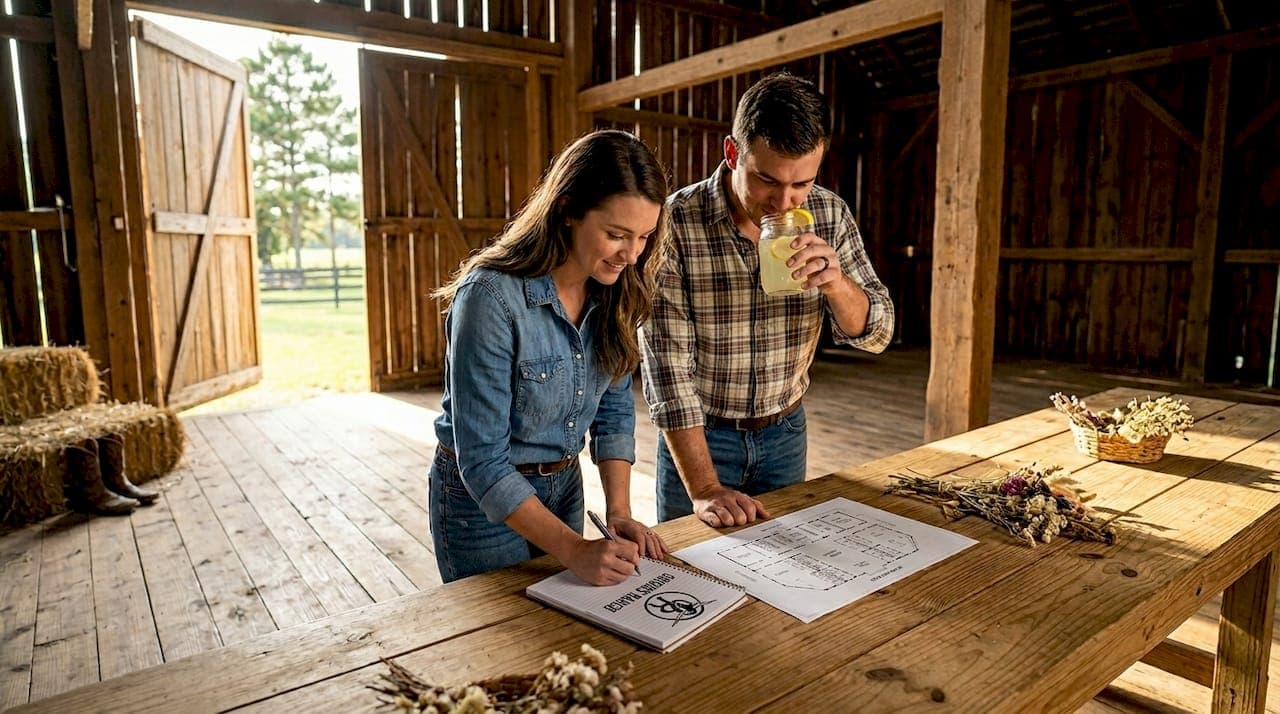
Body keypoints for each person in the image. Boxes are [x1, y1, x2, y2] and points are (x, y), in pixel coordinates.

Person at [641, 72, 895, 528]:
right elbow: (667, 369)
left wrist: (837, 285)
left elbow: (877, 334)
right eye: (767, 181)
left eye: (801, 184)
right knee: (689, 575)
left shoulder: (830, 213)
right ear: (732, 152)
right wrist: (703, 489)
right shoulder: (675, 222)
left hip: (786, 433)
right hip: (702, 438)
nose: (785, 201)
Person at [430, 130, 671, 585]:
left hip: (564, 486)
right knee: (502, 646)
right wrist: (575, 549)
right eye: (616, 234)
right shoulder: (489, 297)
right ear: (567, 211)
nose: (632, 254)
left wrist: (619, 511)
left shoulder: (615, 290)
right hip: (479, 504)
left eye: (643, 236)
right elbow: (481, 462)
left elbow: (614, 410)